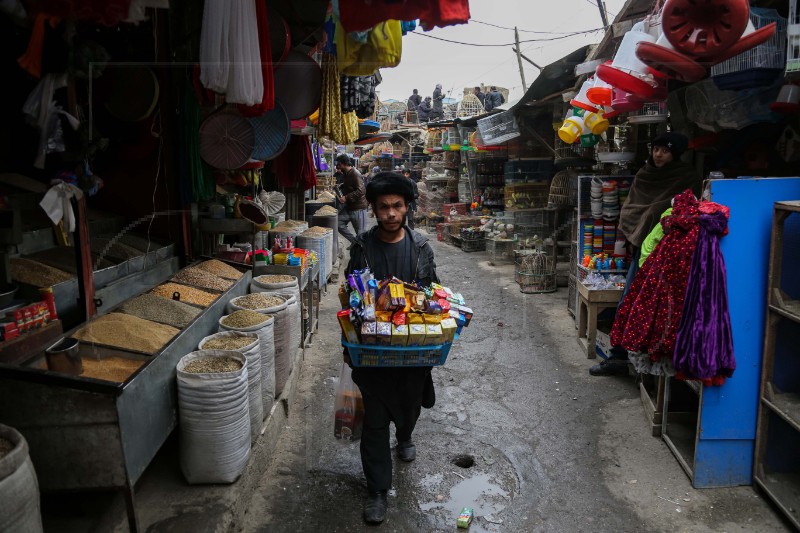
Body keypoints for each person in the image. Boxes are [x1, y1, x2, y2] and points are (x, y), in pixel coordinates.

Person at [345, 172, 439, 524]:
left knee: (409, 405)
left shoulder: (420, 247)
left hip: (413, 350)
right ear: (372, 209)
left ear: (407, 207)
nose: (390, 214)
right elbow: (351, 296)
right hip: (373, 351)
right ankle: (378, 490)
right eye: (383, 207)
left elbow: (433, 291)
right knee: (374, 420)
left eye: (397, 206)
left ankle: (406, 434)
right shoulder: (361, 247)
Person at [590, 132, 703, 376]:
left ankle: (648, 360)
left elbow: (685, 212)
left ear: (676, 153)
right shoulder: (644, 175)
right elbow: (632, 208)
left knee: (660, 307)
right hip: (644, 249)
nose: (658, 154)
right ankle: (619, 357)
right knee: (631, 298)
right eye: (656, 149)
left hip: (672, 252)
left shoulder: (687, 177)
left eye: (665, 150)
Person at [335, 154, 369, 246]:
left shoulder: (355, 173)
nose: (338, 165)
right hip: (350, 207)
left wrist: (346, 197)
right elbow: (351, 185)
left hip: (358, 208)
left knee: (361, 233)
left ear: (345, 163)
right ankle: (355, 242)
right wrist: (341, 185)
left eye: (339, 163)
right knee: (338, 223)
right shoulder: (346, 173)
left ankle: (362, 253)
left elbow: (361, 190)